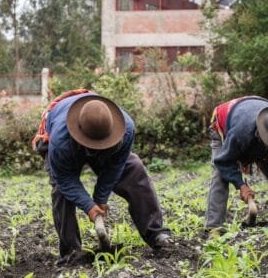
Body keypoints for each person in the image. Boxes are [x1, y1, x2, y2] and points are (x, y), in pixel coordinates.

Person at [32, 90, 172, 265]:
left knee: (134, 168)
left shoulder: (126, 128)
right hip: (65, 141)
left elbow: (115, 166)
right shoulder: (60, 141)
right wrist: (89, 207)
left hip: (108, 143)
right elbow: (65, 179)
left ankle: (156, 233)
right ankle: (71, 253)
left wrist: (100, 198)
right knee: (61, 191)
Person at [205, 96, 268, 233]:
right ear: (261, 136)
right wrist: (240, 185)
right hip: (225, 122)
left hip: (254, 115)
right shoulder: (242, 132)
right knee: (220, 176)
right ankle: (214, 228)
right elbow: (223, 161)